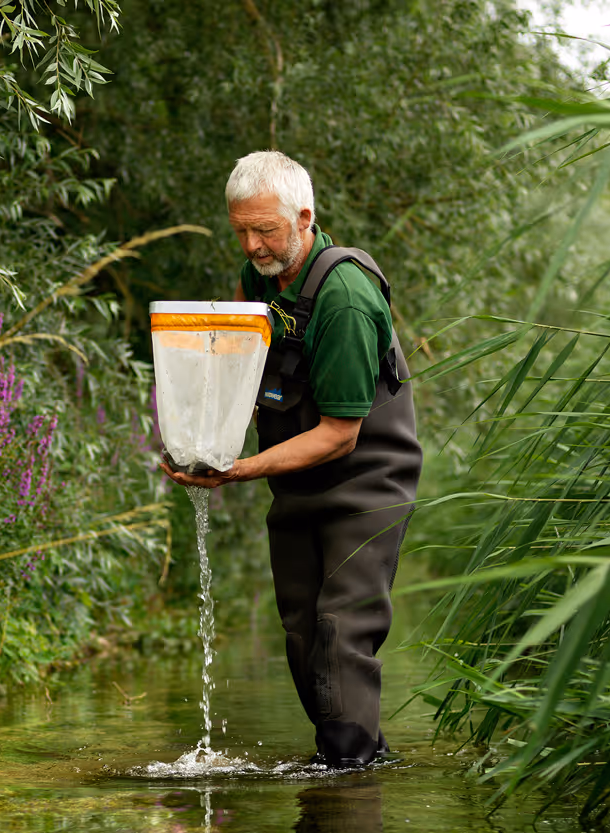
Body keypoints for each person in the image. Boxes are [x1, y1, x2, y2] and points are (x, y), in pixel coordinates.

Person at [161, 150, 422, 767]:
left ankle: (348, 781)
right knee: (302, 636)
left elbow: (340, 434)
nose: (252, 245)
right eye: (241, 231)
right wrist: (205, 441)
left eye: (266, 230)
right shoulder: (260, 278)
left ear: (305, 217)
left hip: (366, 482)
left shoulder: (346, 298)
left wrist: (241, 469)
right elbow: (237, 362)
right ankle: (358, 764)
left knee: (340, 635)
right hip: (298, 483)